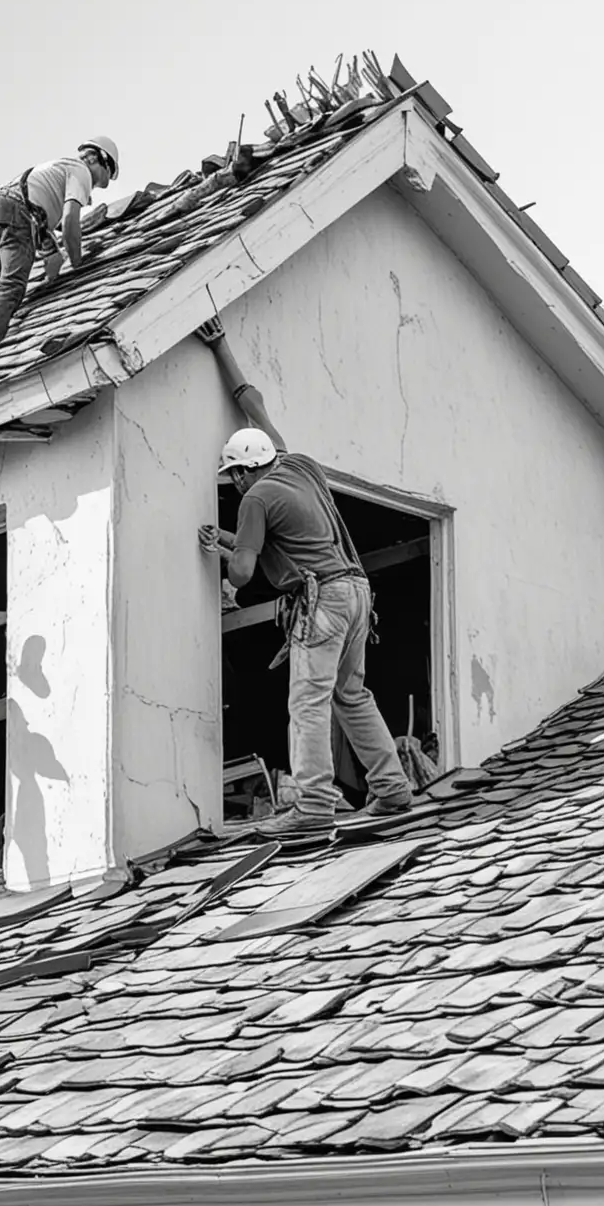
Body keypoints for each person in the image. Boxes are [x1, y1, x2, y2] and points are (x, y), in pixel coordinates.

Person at [194, 319, 414, 838]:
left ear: (243, 472)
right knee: (351, 695)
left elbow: (246, 571)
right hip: (356, 593)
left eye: (233, 476)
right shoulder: (296, 465)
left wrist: (229, 557)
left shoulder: (254, 497)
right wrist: (221, 343)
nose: (234, 483)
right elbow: (253, 400)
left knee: (307, 701)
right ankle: (392, 788)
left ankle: (314, 802)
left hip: (321, 603)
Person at [0, 136, 120, 381]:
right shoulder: (81, 172)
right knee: (12, 284)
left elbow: (39, 216)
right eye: (101, 181)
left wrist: (52, 254)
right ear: (101, 161)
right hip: (15, 214)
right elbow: (69, 223)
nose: (94, 188)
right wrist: (78, 262)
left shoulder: (54, 169)